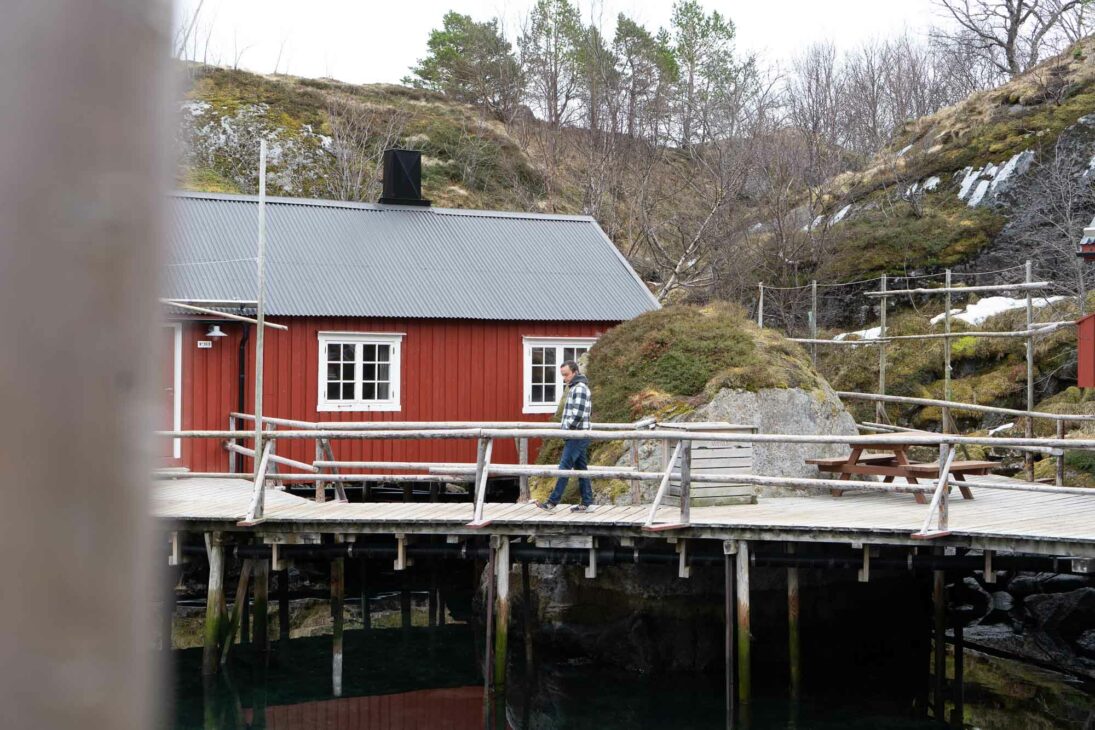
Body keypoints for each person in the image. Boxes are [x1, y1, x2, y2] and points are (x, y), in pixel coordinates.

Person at [538, 360, 593, 512]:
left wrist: (566, 429)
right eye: (562, 375)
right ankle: (587, 503)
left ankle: (552, 502)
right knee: (581, 469)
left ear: (575, 372)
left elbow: (578, 415)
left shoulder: (580, 389)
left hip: (577, 435)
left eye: (566, 375)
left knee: (564, 468)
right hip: (577, 434)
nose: (564, 378)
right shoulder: (576, 387)